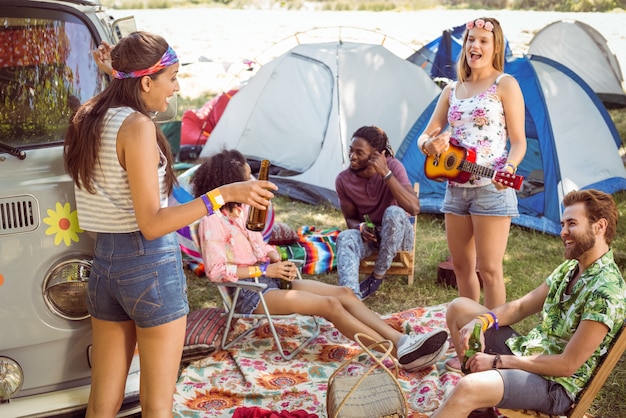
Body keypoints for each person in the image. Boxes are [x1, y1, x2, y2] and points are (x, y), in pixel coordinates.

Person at [64, 32, 276, 418]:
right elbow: (152, 223)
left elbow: (119, 92)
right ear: (145, 82)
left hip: (105, 265)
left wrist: (114, 72)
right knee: (157, 405)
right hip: (148, 268)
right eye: (173, 77)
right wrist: (224, 194)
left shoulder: (87, 118)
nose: (176, 88)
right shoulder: (138, 127)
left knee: (102, 402)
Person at [193, 149, 448, 372]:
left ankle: (402, 341)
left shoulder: (243, 210)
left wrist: (272, 255)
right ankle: (396, 354)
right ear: (229, 183)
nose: (253, 182)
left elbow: (258, 245)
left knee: (345, 293)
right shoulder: (212, 221)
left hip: (271, 279)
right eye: (247, 177)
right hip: (250, 293)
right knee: (330, 305)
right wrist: (266, 268)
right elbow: (216, 271)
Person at [432, 189, 626, 418]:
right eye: (563, 224)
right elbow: (522, 306)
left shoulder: (607, 292)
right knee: (460, 309)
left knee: (468, 387)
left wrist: (496, 362)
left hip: (555, 385)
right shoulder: (571, 267)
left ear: (599, 226)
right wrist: (483, 321)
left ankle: (475, 394)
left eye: (572, 224)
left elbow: (567, 365)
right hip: (529, 352)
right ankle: (482, 409)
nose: (563, 232)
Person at [417, 17, 527, 309]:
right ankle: (469, 330)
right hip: (455, 189)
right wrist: (429, 144)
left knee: (490, 271)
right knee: (462, 269)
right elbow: (425, 136)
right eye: (470, 40)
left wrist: (510, 167)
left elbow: (519, 142)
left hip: (491, 188)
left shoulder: (505, 84)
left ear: (495, 47)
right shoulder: (451, 90)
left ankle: (491, 336)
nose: (475, 45)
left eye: (483, 40)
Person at [335, 125, 421, 300]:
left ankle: (377, 277)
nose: (352, 157)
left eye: (359, 152)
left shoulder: (393, 168)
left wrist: (386, 173)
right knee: (345, 237)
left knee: (394, 213)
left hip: (399, 235)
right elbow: (350, 218)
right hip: (372, 237)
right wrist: (360, 227)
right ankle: (351, 297)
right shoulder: (344, 180)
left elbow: (414, 208)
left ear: (377, 155)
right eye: (351, 151)